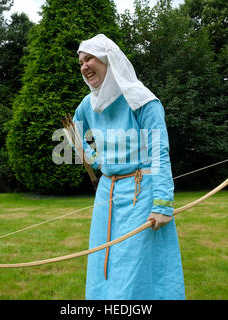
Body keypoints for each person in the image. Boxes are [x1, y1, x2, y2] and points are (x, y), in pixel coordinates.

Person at [72, 34, 185, 300]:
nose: (84, 66)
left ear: (108, 60)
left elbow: (159, 153)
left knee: (133, 266)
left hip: (140, 194)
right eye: (80, 62)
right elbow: (74, 134)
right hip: (106, 197)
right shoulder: (89, 104)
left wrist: (162, 204)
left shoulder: (142, 100)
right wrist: (97, 160)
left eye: (90, 58)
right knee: (104, 262)